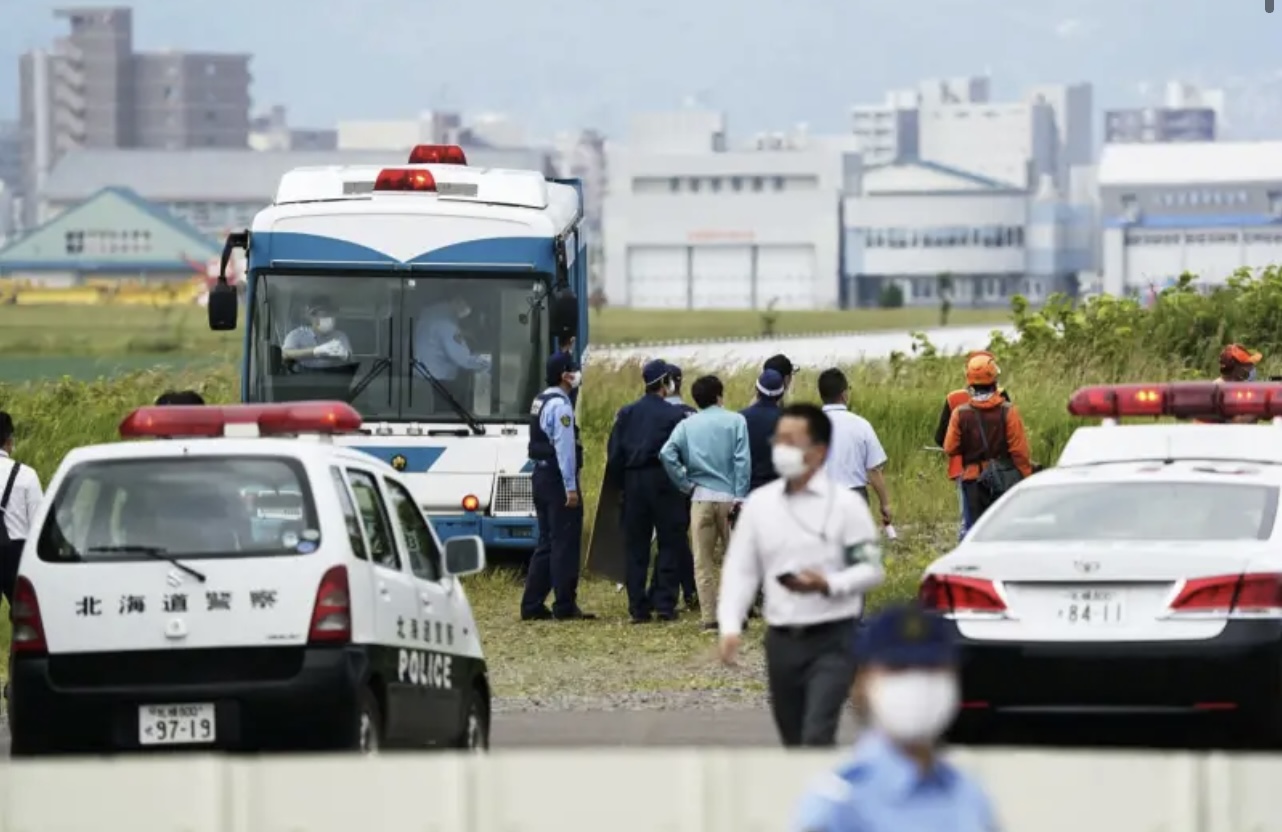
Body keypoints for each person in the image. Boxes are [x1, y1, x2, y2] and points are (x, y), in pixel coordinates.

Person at [718, 403, 885, 747]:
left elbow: (870, 568)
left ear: (819, 450)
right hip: (781, 640)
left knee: (817, 734)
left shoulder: (847, 505)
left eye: (792, 441)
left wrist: (829, 584)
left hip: (834, 639)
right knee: (793, 739)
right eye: (778, 440)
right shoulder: (760, 505)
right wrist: (730, 626)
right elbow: (740, 570)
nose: (782, 448)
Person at [792, 603, 1000, 832]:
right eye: (898, 668)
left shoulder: (967, 795)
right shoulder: (838, 800)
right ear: (864, 683)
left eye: (932, 668)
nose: (918, 683)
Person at [659, 374, 750, 631]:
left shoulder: (687, 425)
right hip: (730, 498)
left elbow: (667, 453)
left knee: (703, 560)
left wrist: (685, 483)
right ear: (719, 396)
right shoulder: (736, 421)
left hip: (700, 497)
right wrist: (741, 494)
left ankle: (709, 617)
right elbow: (742, 460)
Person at [605, 359, 688, 623]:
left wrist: (619, 486)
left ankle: (637, 607)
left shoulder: (626, 413)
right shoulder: (674, 415)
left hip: (633, 481)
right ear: (666, 382)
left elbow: (614, 455)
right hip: (664, 481)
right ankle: (664, 604)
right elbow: (681, 454)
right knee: (670, 541)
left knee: (636, 546)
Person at [520, 352, 594, 621]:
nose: (577, 374)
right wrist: (571, 488)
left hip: (540, 477)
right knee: (565, 544)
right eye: (574, 370)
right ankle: (564, 605)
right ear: (565, 375)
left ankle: (531, 604)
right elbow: (565, 450)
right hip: (557, 480)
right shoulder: (561, 407)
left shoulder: (540, 400)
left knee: (546, 543)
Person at [943, 354, 1033, 527]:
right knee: (1005, 528)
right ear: (994, 379)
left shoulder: (960, 413)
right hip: (1004, 480)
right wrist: (1026, 478)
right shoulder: (1009, 411)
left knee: (977, 532)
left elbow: (949, 448)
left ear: (970, 382)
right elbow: (1020, 452)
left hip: (973, 481)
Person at [934, 351, 1010, 540]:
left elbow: (941, 439)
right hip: (999, 471)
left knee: (968, 523)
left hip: (964, 471)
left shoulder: (953, 399)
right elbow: (1009, 435)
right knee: (998, 519)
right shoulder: (1002, 397)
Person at [0, 412, 42, 704]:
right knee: (24, 622)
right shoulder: (25, 475)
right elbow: (38, 524)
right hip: (16, 553)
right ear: (9, 441)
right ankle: (17, 683)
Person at [818, 368, 892, 528]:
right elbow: (873, 470)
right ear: (844, 394)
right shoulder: (861, 425)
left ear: (821, 395)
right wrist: (885, 503)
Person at [662, 362, 699, 610]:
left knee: (671, 538)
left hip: (658, 482)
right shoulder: (691, 414)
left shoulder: (647, 410)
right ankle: (688, 588)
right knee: (679, 537)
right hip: (685, 482)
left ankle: (682, 588)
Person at [414, 296, 491, 414]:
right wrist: (488, 362)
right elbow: (463, 359)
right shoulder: (446, 323)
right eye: (468, 306)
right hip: (439, 384)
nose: (468, 310)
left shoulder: (429, 314)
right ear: (457, 301)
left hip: (421, 379)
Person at [741, 368, 788, 491]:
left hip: (750, 489)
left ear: (757, 391)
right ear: (781, 394)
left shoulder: (741, 418)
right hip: (779, 489)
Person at [281, 297, 353, 369]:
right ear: (311, 317)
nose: (327, 319)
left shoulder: (340, 336)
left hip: (330, 377)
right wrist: (316, 351)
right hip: (301, 377)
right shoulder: (296, 335)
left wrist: (346, 356)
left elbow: (351, 362)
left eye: (329, 315)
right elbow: (285, 354)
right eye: (322, 315)